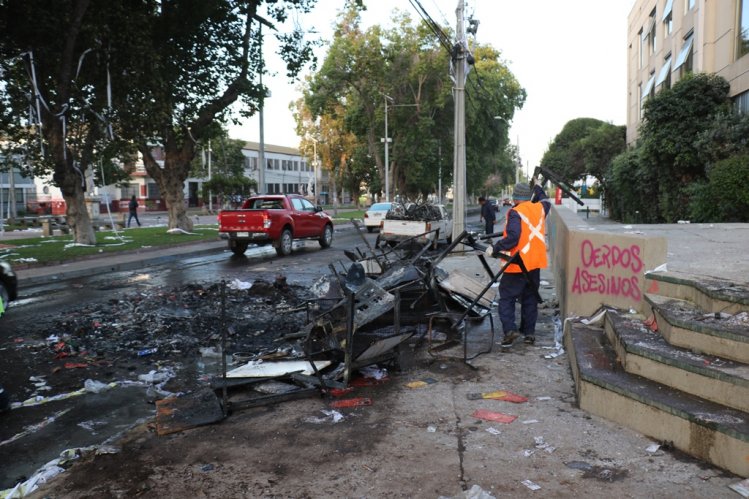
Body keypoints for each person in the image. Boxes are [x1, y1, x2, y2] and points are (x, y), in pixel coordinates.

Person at [488, 182, 550, 346]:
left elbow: (513, 237)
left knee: (507, 298)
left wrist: (496, 248)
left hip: (517, 263)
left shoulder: (515, 212)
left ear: (515, 197)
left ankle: (510, 330)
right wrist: (538, 188)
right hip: (534, 264)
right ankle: (529, 333)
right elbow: (546, 201)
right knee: (530, 298)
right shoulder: (540, 209)